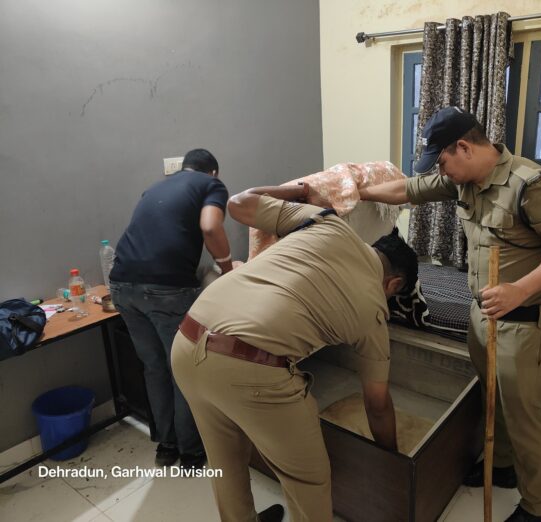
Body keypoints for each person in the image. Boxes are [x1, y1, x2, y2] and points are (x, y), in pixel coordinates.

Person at [359, 106, 541, 522]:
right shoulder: (462, 181)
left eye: (442, 161)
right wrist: (355, 193)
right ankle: (501, 466)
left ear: (463, 147)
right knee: (492, 401)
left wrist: (520, 289)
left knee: (524, 420)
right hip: (480, 315)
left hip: (522, 323)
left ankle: (538, 507)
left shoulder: (529, 184)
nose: (441, 171)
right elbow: (407, 190)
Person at [171, 183, 419, 522]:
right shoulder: (375, 313)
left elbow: (239, 204)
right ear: (393, 284)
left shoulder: (327, 222)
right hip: (246, 367)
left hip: (187, 339)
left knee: (226, 462)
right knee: (309, 480)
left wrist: (301, 189)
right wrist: (391, 461)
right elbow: (377, 405)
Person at [110, 148, 233, 469]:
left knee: (155, 368)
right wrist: (228, 268)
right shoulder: (211, 185)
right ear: (213, 172)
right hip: (166, 291)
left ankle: (167, 447)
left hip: (121, 285)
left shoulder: (154, 188)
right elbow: (210, 227)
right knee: (183, 368)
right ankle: (191, 452)